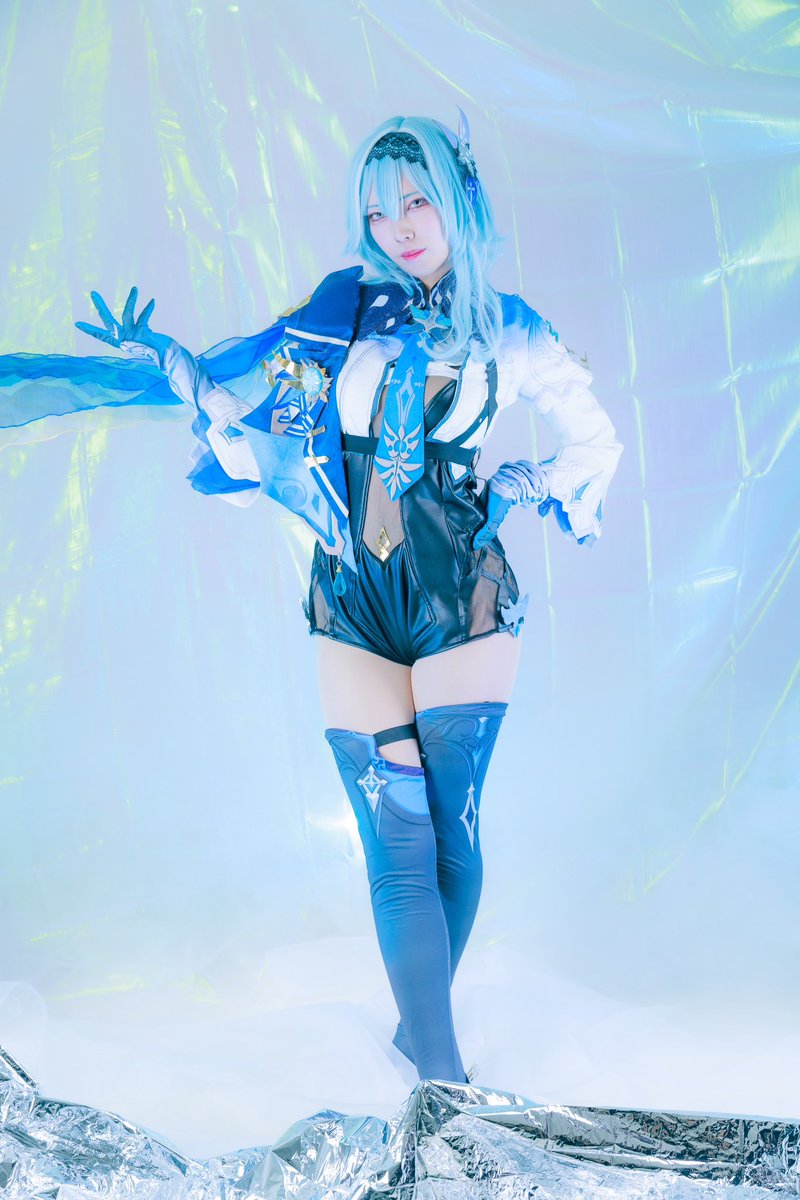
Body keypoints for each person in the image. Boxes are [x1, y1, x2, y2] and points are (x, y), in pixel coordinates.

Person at [4, 112, 623, 1087]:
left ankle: (434, 1067)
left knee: (449, 826)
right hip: (351, 586)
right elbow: (263, 420)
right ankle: (434, 1064)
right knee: (395, 836)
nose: (398, 226)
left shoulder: (511, 329)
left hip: (460, 586)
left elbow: (597, 442)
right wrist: (179, 369)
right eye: (377, 211)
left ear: (458, 201)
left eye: (416, 200)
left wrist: (524, 482)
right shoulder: (338, 312)